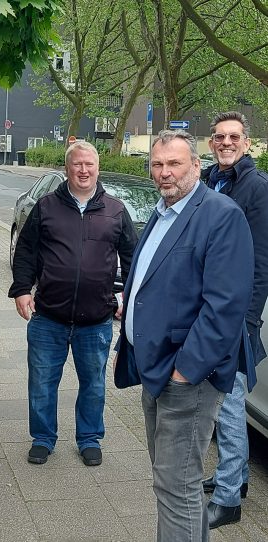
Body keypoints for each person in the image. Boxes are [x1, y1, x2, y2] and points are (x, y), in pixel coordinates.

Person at [114, 130, 254, 541]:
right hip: (155, 369)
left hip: (186, 377)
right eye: (157, 164)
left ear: (196, 165)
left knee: (177, 488)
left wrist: (185, 372)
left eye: (174, 163)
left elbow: (225, 307)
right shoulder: (162, 212)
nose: (164, 173)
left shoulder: (221, 215)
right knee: (176, 486)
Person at [8, 141, 138, 467]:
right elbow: (26, 251)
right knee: (41, 382)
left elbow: (134, 259)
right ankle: (42, 438)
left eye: (89, 164)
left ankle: (89, 438)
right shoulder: (46, 206)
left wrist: (127, 296)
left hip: (95, 319)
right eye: (77, 164)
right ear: (67, 168)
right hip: (48, 316)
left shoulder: (116, 210)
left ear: (97, 168)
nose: (83, 170)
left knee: (93, 384)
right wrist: (22, 289)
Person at [200, 111, 268, 529]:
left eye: (234, 137)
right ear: (212, 142)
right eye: (220, 136)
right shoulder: (211, 179)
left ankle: (228, 500)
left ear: (247, 143)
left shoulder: (257, 188)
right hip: (212, 306)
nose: (226, 142)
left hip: (235, 315)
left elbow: (262, 261)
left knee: (226, 404)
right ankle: (235, 477)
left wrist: (247, 320)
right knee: (225, 399)